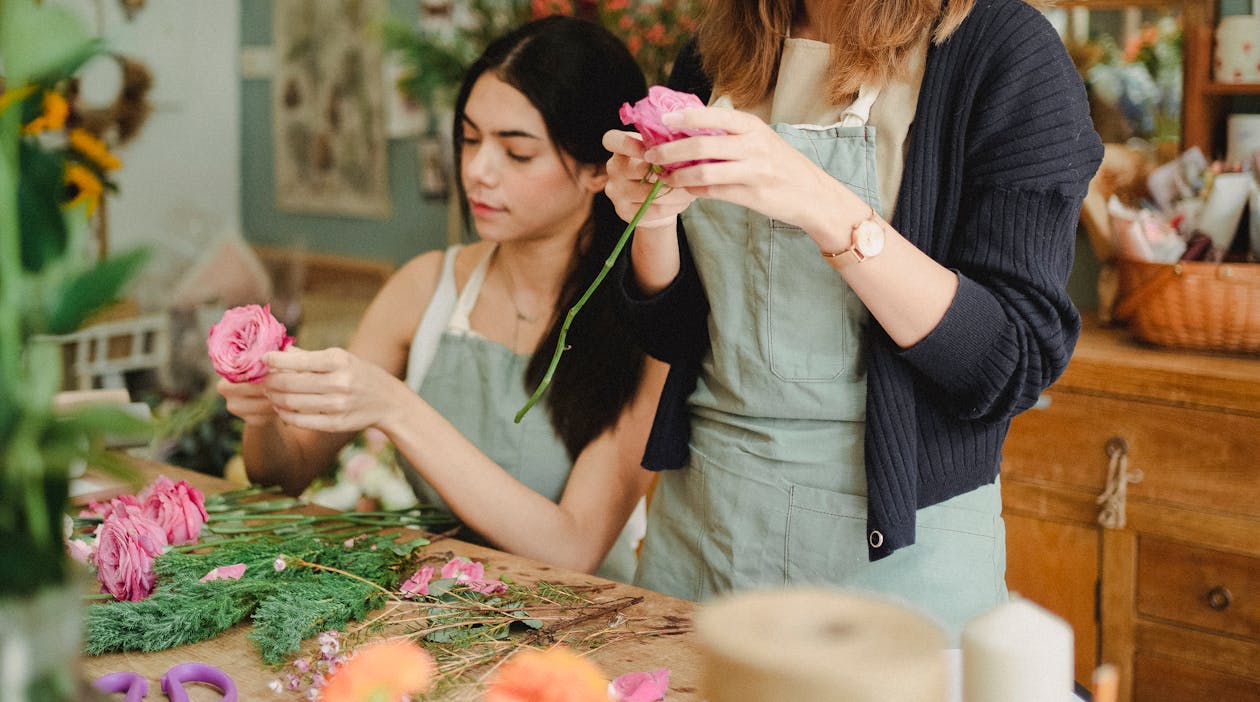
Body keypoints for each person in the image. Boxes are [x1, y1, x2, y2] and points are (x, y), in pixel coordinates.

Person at [602, 0, 1103, 636]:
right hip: (702, 530)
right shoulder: (720, 51)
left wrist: (822, 205)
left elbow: (1009, 362)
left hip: (895, 563)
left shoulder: (1001, 49)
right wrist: (652, 219)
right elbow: (672, 335)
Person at [218, 15, 664, 583]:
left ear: (599, 170)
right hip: (430, 613)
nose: (477, 171)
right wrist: (264, 414)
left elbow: (573, 547)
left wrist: (396, 407)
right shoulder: (425, 287)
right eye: (470, 140)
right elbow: (284, 479)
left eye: (517, 153)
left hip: (583, 633)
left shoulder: (641, 319)